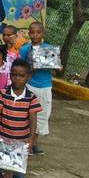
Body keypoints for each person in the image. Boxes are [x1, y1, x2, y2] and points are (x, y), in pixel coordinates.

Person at [18, 22, 53, 155]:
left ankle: (34, 143)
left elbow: (56, 69)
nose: (35, 35)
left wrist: (56, 65)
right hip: (30, 85)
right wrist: (30, 67)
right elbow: (21, 67)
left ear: (42, 33)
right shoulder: (25, 49)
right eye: (32, 32)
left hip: (45, 86)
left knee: (42, 116)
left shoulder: (49, 49)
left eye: (38, 32)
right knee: (27, 115)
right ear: (29, 33)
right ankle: (25, 142)